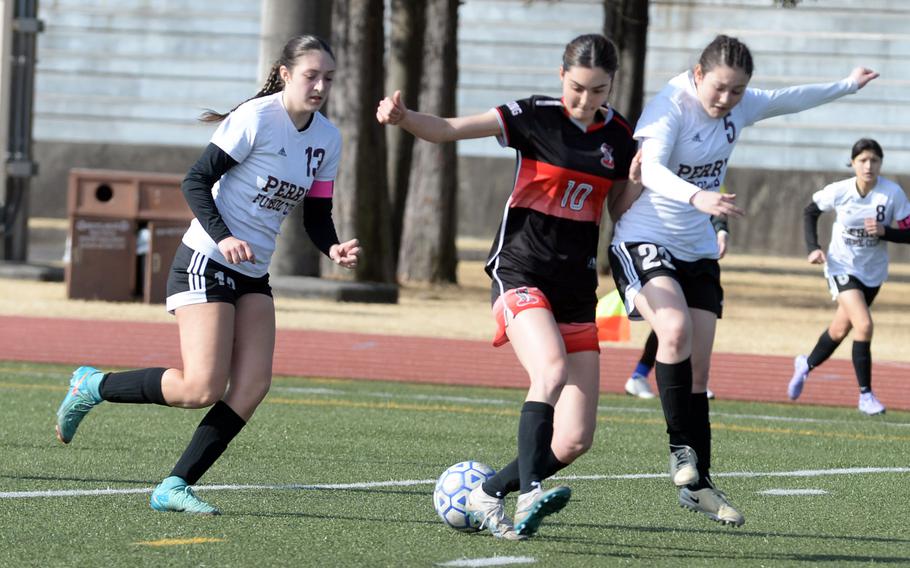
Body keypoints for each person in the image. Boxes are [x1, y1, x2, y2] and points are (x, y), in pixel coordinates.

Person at [54, 35, 360, 515]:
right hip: (207, 259)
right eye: (311, 75)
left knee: (253, 385)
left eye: (328, 78)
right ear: (284, 74)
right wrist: (223, 236)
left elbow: (316, 215)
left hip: (252, 272)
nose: (320, 86)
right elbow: (195, 180)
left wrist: (333, 247)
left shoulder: (328, 138)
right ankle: (92, 386)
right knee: (200, 388)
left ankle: (173, 485)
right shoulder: (256, 118)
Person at [608, 33, 877, 527]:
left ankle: (700, 487)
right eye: (718, 88)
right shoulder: (669, 107)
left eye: (736, 91)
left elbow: (788, 99)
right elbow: (653, 172)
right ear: (697, 75)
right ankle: (680, 455)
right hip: (644, 237)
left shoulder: (741, 105)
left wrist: (847, 85)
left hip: (697, 250)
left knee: (701, 374)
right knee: (672, 331)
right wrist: (698, 198)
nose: (726, 100)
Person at [378, 34, 637, 540]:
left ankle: (489, 492)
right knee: (551, 370)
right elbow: (449, 129)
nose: (586, 100)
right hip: (521, 272)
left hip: (577, 287)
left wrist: (639, 178)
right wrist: (405, 118)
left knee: (576, 439)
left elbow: (617, 208)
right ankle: (531, 491)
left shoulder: (620, 135)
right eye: (578, 88)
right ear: (561, 74)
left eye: (599, 90)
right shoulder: (534, 115)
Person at [788, 138, 910, 415]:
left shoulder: (892, 194)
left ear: (881, 163)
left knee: (839, 330)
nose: (869, 166)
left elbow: (909, 231)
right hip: (841, 267)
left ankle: (805, 365)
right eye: (863, 160)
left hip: (873, 273)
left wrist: (885, 232)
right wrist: (813, 248)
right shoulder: (840, 191)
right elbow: (810, 211)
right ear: (853, 163)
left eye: (874, 160)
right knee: (864, 325)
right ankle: (865, 395)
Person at [625, 216, 728, 400]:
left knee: (686, 321)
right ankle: (640, 375)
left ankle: (692, 381)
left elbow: (717, 203)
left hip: (698, 253)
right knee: (674, 322)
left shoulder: (714, 185)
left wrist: (721, 230)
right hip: (664, 249)